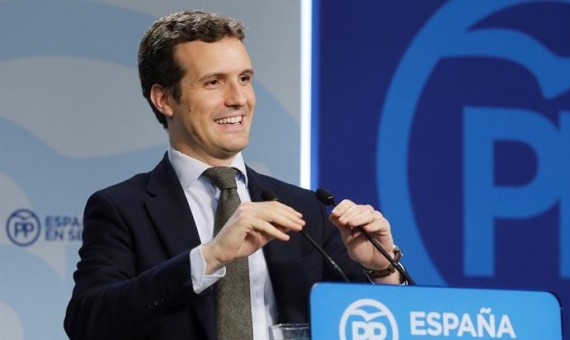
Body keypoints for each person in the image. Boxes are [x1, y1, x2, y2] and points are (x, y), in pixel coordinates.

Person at [64, 10, 404, 340]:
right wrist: (210, 257)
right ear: (164, 99)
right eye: (214, 82)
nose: (239, 99)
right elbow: (88, 321)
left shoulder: (304, 208)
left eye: (244, 79)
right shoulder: (123, 209)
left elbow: (368, 323)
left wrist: (380, 270)